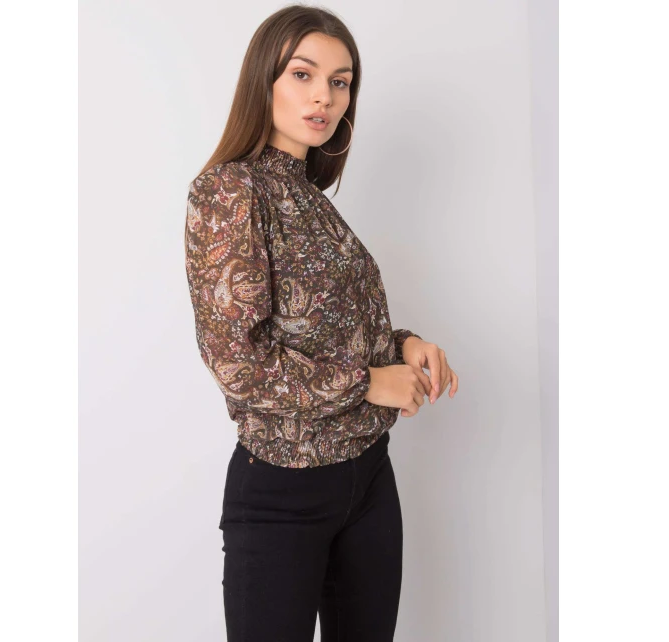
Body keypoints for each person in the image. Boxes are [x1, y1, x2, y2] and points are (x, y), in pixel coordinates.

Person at [183, 6, 458, 641]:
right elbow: (238, 362)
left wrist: (404, 345)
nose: (324, 97)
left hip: (368, 477)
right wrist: (368, 382)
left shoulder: (309, 194)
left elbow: (330, 327)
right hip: (285, 488)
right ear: (264, 80)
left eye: (340, 81)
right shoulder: (230, 192)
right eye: (303, 74)